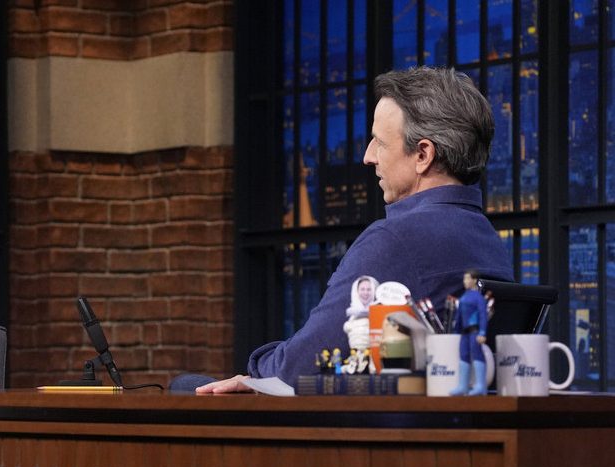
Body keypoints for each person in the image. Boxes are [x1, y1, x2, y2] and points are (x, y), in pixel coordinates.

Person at [190, 66, 514, 393]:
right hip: (449, 415)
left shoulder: (396, 240)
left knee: (188, 386)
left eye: (379, 142)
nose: (367, 157)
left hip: (378, 421)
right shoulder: (487, 240)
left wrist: (256, 371)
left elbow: (299, 368)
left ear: (422, 154)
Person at [449, 268, 489, 395]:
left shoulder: (478, 298)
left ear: (474, 280)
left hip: (475, 331)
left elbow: (483, 316)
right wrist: (456, 331)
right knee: (463, 355)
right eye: (464, 278)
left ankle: (480, 385)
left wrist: (482, 333)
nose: (465, 281)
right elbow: (459, 317)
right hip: (464, 333)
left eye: (468, 278)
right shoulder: (464, 297)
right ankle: (463, 386)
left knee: (477, 354)